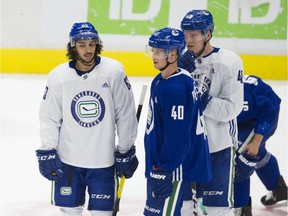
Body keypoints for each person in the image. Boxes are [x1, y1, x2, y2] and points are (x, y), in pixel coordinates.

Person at [35, 22, 139, 216]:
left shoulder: (113, 72)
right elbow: (49, 117)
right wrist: (47, 149)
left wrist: (125, 149)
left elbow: (125, 114)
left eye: (92, 44)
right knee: (69, 211)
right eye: (82, 45)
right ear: (73, 46)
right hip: (69, 162)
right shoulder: (58, 76)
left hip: (104, 162)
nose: (88, 49)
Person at [178, 10, 244, 215]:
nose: (188, 41)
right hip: (185, 148)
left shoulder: (229, 62)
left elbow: (231, 109)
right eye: (185, 35)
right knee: (184, 208)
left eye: (194, 35)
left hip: (218, 147)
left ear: (208, 34)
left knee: (218, 210)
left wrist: (197, 93)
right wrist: (177, 76)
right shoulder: (179, 61)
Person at [143, 27, 211, 216]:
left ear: (173, 55)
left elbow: (178, 138)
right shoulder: (162, 79)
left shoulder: (176, 89)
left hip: (171, 170)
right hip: (160, 164)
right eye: (153, 51)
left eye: (158, 52)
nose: (153, 56)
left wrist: (164, 169)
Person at [233, 75, 287, 215]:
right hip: (245, 116)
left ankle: (242, 208)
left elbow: (269, 110)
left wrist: (257, 140)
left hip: (263, 115)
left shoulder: (243, 96)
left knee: (241, 158)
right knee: (257, 153)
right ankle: (278, 188)